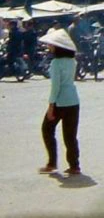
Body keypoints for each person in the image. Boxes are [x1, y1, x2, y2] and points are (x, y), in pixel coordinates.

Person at [38, 28, 81, 176]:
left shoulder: (56, 63)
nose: (49, 47)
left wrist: (51, 106)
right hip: (74, 100)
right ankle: (74, 166)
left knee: (47, 130)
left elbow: (55, 87)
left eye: (51, 45)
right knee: (70, 136)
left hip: (60, 102)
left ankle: (52, 163)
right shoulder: (72, 61)